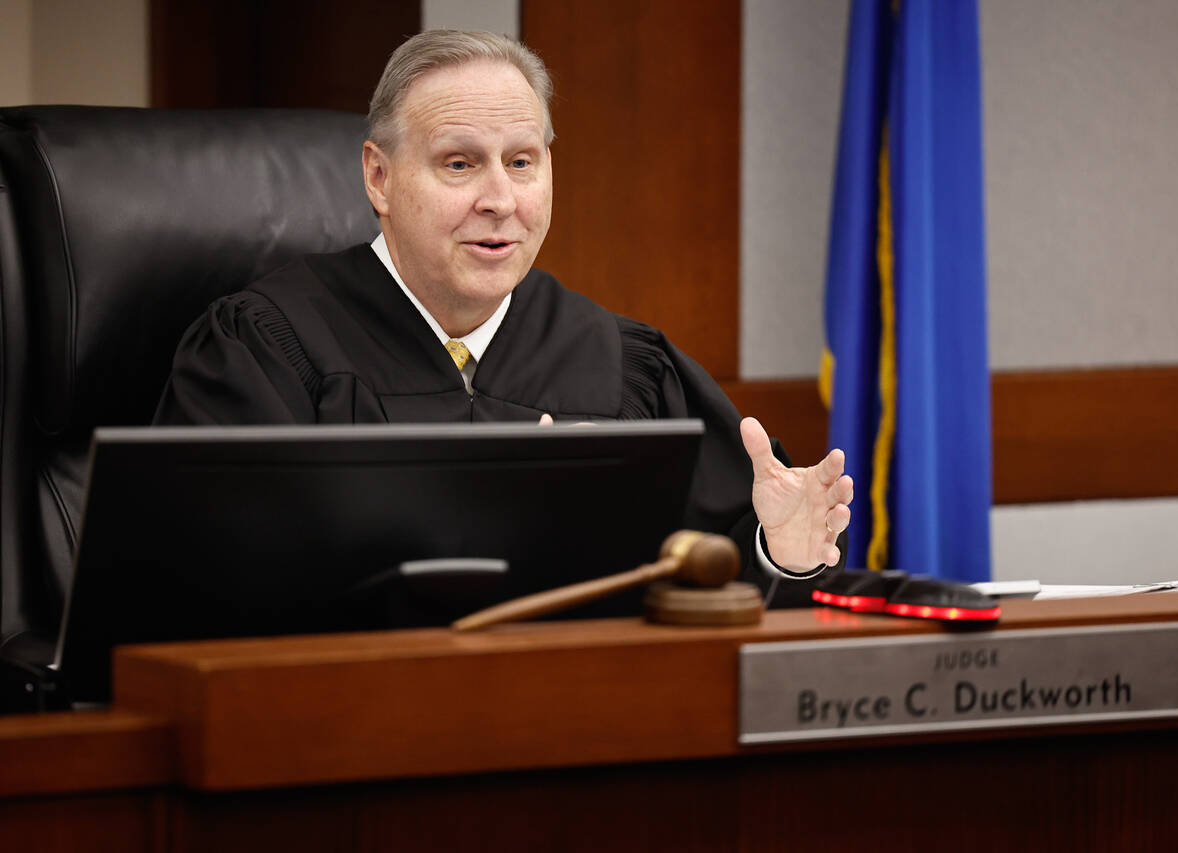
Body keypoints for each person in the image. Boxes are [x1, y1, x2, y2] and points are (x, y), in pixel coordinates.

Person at [154, 30, 853, 597]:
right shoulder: (269, 347)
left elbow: (717, 578)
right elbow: (199, 586)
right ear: (379, 176)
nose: (501, 199)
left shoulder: (618, 362)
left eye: (521, 163)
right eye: (460, 164)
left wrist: (780, 552)